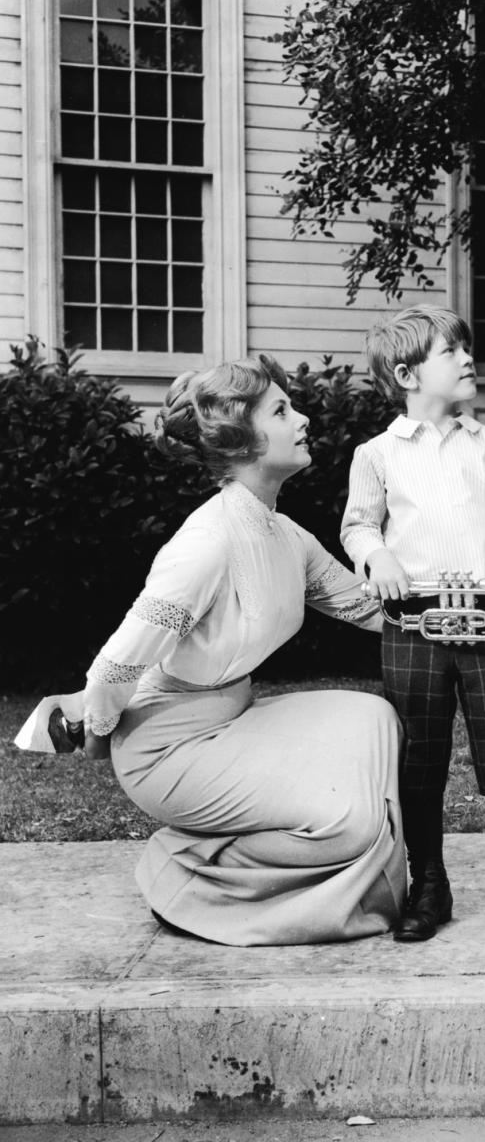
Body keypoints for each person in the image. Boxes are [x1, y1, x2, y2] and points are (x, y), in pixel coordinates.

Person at [80, 355, 407, 946]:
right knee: (350, 823)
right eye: (282, 410)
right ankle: (184, 872)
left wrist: (463, 606)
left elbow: (367, 608)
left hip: (231, 716)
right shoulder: (207, 543)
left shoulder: (284, 532)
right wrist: (97, 730)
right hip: (167, 747)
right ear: (240, 441)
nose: (302, 418)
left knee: (374, 717)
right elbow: (117, 664)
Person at [340, 304, 485, 944]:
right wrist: (376, 554)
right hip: (414, 628)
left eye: (466, 348)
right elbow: (358, 524)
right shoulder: (376, 454)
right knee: (419, 762)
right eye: (452, 351)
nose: (469, 358)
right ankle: (429, 886)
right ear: (407, 373)